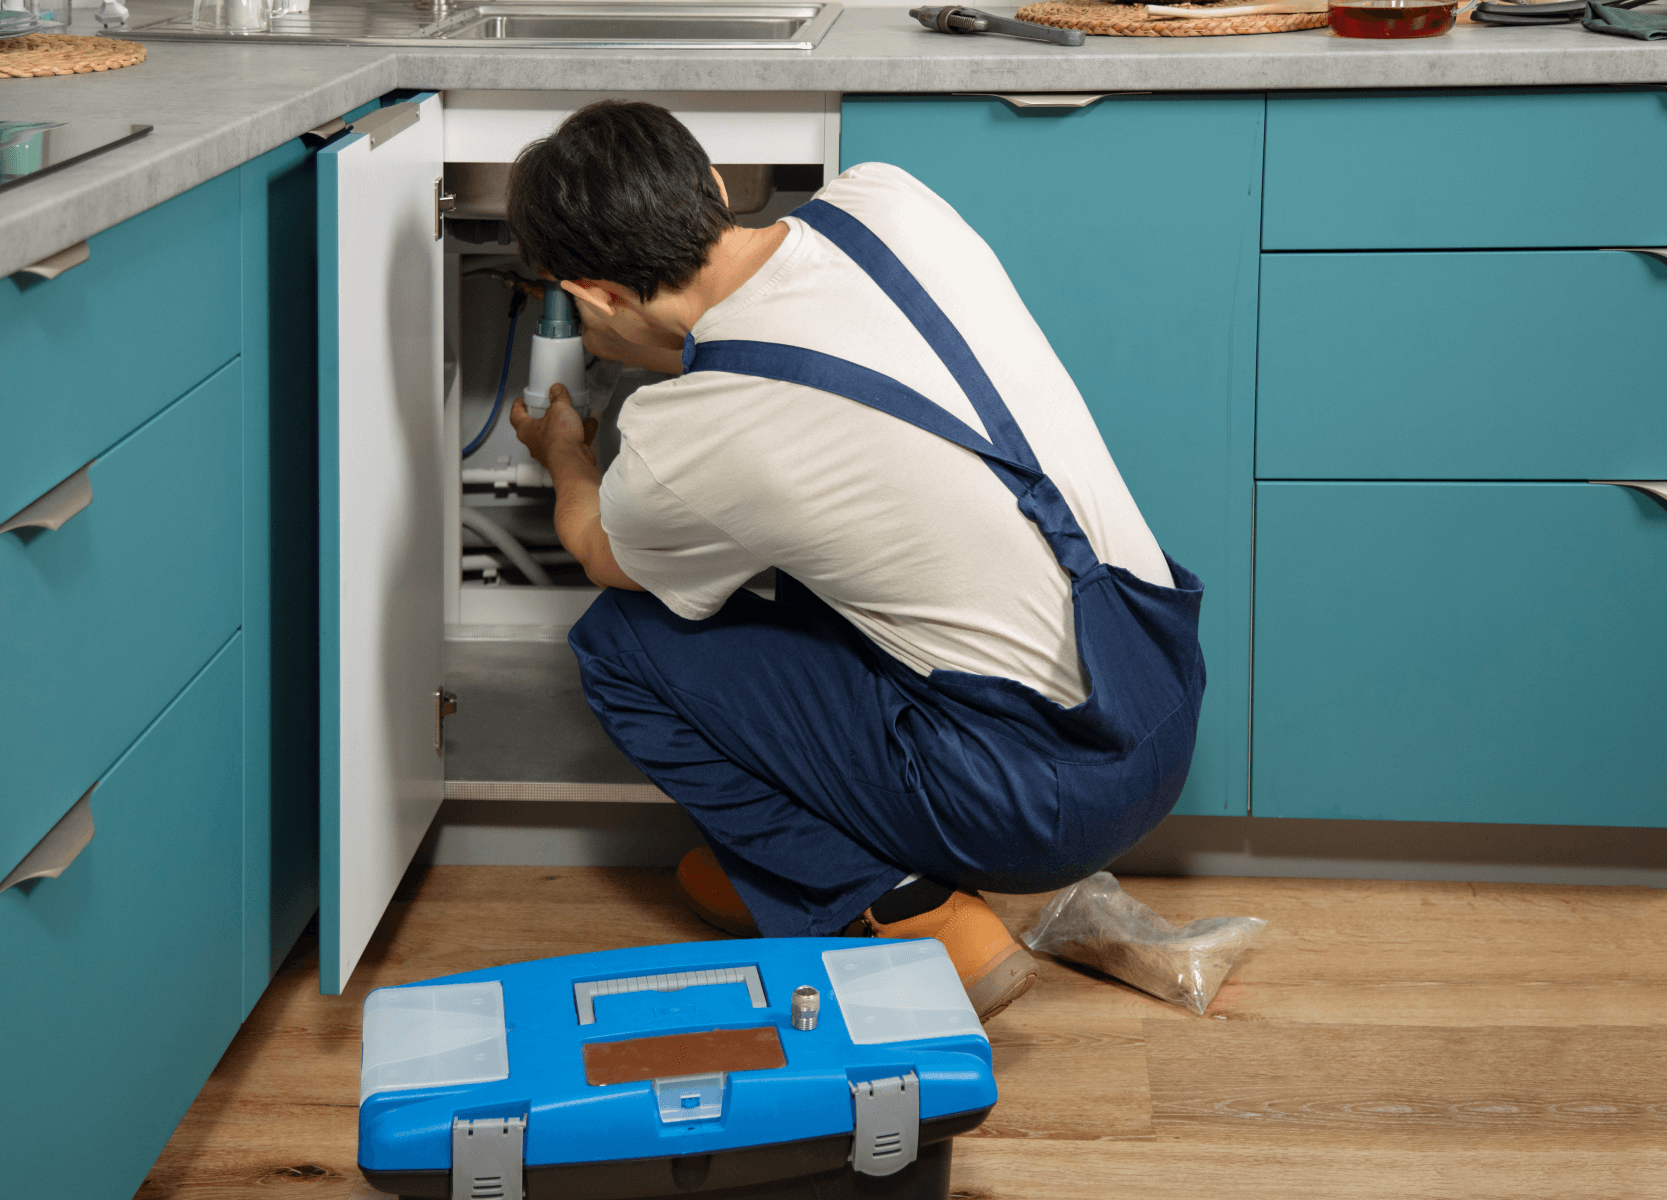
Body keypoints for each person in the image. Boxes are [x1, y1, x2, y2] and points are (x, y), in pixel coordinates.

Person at [504, 100, 1205, 1021]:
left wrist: (565, 453)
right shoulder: (886, 201)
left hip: (1041, 807)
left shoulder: (684, 439)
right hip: (1161, 691)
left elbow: (601, 548)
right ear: (712, 182)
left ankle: (888, 899)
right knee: (808, 565)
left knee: (622, 645)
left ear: (594, 296)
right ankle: (785, 870)